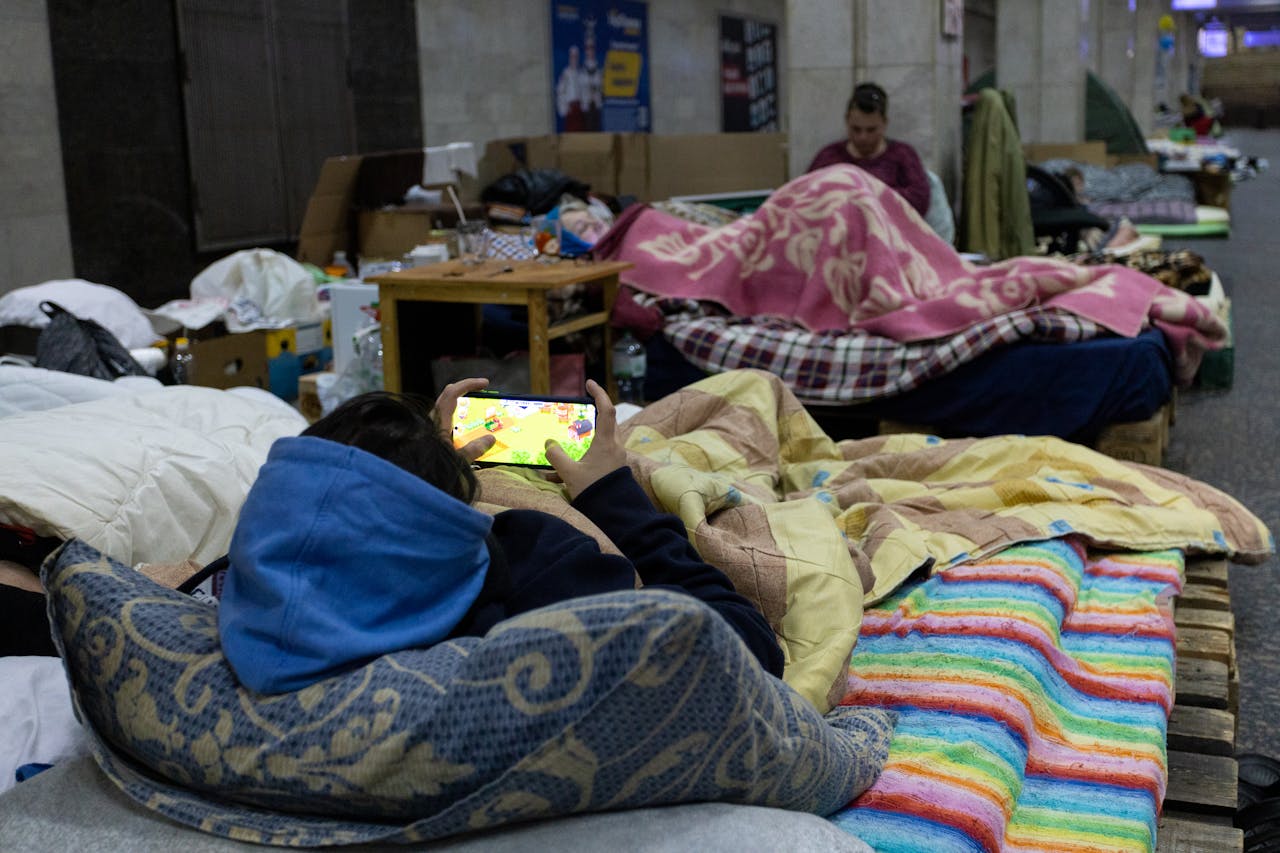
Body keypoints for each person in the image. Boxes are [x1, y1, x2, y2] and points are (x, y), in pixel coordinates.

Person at [216, 378, 784, 694]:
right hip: (596, 499)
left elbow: (337, 525)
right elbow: (749, 650)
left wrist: (422, 467)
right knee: (752, 388)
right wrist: (613, 492)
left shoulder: (248, 576)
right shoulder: (530, 561)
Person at [807, 82, 931, 217]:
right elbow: (806, 197)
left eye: (871, 130)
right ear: (847, 120)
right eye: (856, 129)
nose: (863, 137)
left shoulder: (903, 156)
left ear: (884, 123)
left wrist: (868, 194)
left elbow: (920, 201)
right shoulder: (829, 157)